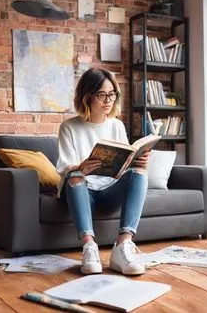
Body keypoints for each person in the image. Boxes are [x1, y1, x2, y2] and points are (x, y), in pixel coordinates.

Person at [56, 67, 150, 276]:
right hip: (81, 190)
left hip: (109, 190)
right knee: (75, 177)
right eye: (102, 94)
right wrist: (80, 167)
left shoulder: (116, 125)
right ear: (87, 97)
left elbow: (125, 162)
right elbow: (63, 168)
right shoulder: (68, 127)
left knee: (139, 173)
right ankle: (89, 247)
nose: (108, 100)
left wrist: (137, 162)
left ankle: (123, 246)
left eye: (112, 94)